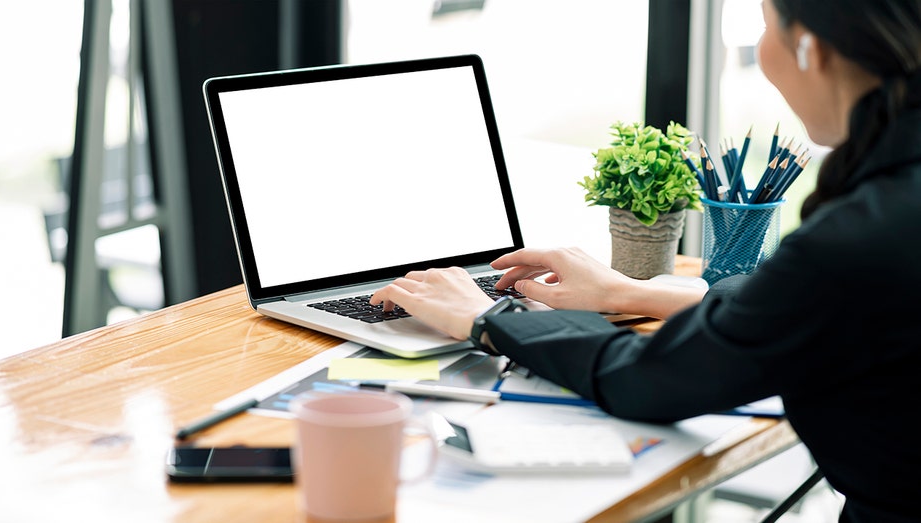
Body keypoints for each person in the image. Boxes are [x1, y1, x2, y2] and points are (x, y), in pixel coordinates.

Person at [370, 1, 921, 521]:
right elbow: (808, 305)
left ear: (810, 47)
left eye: (765, 23)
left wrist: (487, 317)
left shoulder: (859, 239)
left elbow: (649, 379)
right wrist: (626, 293)